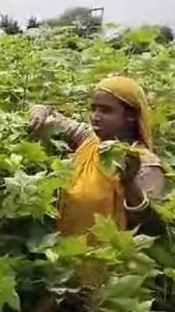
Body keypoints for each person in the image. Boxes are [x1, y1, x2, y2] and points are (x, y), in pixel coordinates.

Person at [28, 77, 166, 240]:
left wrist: (129, 185)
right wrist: (39, 111)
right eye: (94, 109)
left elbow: (154, 228)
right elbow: (50, 115)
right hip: (67, 255)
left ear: (130, 116)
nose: (96, 116)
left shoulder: (146, 164)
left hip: (110, 260)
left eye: (106, 110)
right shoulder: (89, 139)